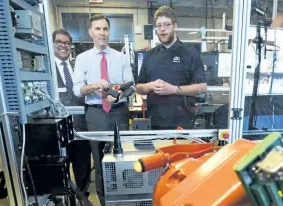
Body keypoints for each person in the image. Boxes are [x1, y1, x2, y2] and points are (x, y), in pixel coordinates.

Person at [73, 14, 135, 205]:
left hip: (118, 112)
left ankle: (124, 200)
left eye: (105, 29)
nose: (102, 33)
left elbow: (131, 86)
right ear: (90, 32)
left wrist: (120, 94)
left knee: (121, 158)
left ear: (109, 32)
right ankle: (104, 201)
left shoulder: (121, 58)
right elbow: (78, 90)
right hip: (95, 113)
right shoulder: (82, 59)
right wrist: (94, 86)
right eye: (98, 29)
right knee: (100, 162)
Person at [136, 6, 207, 130]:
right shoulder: (150, 55)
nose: (162, 29)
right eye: (159, 26)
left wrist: (174, 89)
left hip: (182, 123)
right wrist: (150, 86)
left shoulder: (190, 53)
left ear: (175, 26)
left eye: (166, 24)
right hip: (155, 123)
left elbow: (202, 87)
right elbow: (139, 88)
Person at [52, 29, 92, 196]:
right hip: (57, 129)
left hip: (80, 127)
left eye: (67, 43)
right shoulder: (47, 69)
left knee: (82, 166)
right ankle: (63, 197)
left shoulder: (78, 66)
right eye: (59, 42)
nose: (63, 46)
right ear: (53, 44)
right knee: (59, 167)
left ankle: (82, 195)